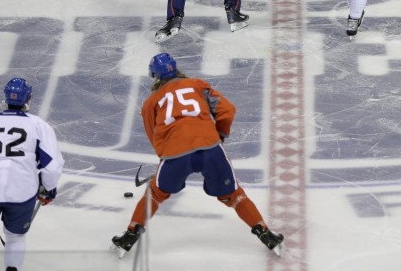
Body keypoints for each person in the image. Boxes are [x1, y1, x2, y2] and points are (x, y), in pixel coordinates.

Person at [111, 53, 283, 257]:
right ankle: (266, 234)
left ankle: (129, 236)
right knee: (235, 195)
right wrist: (219, 134)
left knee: (155, 195)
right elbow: (227, 110)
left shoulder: (151, 103)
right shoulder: (197, 85)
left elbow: (153, 134)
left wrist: (164, 157)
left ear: (155, 75)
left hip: (175, 154)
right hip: (210, 148)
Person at [0, 78, 64, 271]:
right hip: (21, 193)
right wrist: (48, 189)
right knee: (16, 237)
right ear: (29, 99)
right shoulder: (39, 126)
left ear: (5, 98)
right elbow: (52, 167)